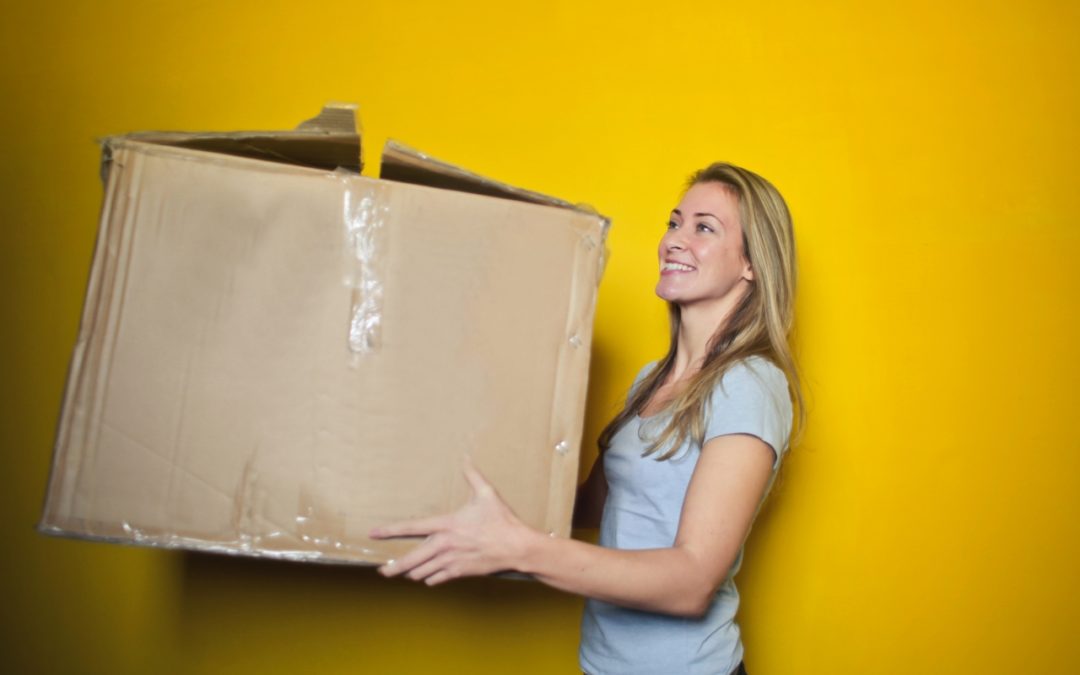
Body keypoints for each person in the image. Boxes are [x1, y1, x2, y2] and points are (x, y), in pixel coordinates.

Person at [370, 162, 804, 675]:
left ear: (753, 263)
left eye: (704, 227)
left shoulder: (748, 384)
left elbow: (692, 582)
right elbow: (591, 505)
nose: (674, 241)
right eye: (674, 222)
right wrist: (450, 483)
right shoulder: (651, 379)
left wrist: (523, 551)